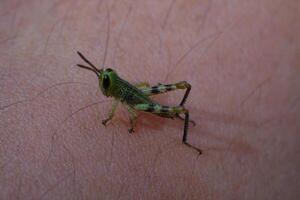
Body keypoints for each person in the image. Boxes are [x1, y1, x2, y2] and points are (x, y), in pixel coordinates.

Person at [0, 0, 299, 199]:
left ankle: (183, 135)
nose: (104, 81)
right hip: (139, 95)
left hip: (142, 102)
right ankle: (179, 114)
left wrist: (127, 120)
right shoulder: (117, 85)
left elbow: (128, 106)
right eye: (105, 78)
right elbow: (133, 90)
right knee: (168, 100)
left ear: (111, 82)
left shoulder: (119, 98)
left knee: (178, 96)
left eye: (105, 77)